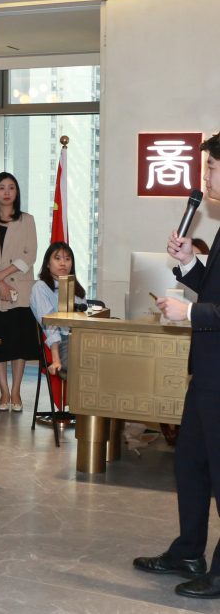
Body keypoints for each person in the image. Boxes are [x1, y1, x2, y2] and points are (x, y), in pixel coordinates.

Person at [135, 132, 220, 599]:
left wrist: (188, 313)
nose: (205, 178)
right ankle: (188, 551)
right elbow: (216, 292)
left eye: (211, 168)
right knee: (190, 463)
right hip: (207, 372)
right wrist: (189, 264)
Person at [0, 172, 41, 412]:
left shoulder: (27, 220)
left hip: (20, 289)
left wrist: (3, 275)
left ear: (17, 192)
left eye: (11, 187)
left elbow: (30, 255)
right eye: (1, 187)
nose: (6, 192)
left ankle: (16, 391)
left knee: (18, 343)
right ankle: (4, 392)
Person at [29, 242, 86, 377]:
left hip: (81, 338)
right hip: (62, 341)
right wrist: (56, 359)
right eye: (57, 258)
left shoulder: (75, 286)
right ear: (48, 264)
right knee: (86, 369)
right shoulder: (41, 287)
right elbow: (50, 324)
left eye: (67, 259)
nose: (63, 263)